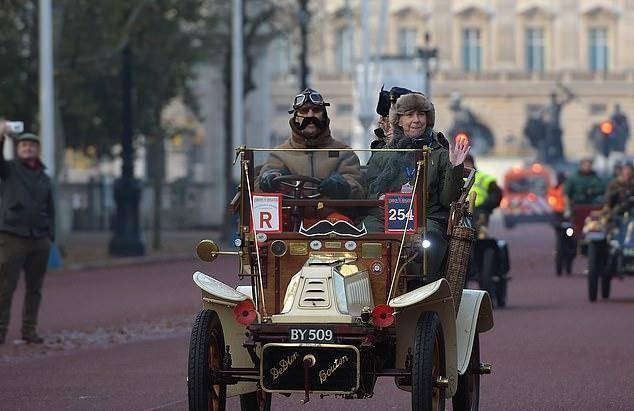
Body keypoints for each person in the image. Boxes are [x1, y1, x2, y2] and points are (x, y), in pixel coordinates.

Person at [364, 92, 469, 282]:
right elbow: (370, 188)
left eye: (421, 115)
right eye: (409, 115)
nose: (416, 120)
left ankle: (421, 286)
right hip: (386, 216)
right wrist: (379, 199)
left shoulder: (440, 154)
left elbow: (447, 201)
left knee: (430, 239)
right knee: (365, 232)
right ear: (399, 120)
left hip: (426, 217)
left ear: (428, 119)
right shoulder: (384, 153)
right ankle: (374, 279)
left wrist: (455, 167)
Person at [0, 121, 55, 345]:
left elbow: (51, 209)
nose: (28, 148)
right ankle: (1, 330)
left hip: (39, 239)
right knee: (5, 287)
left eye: (32, 145)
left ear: (38, 150)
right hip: (12, 236)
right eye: (24, 145)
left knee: (35, 289)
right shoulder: (10, 170)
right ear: (18, 149)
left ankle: (29, 330)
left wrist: (51, 237)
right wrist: (1, 136)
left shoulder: (45, 178)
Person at [257, 88, 364, 200]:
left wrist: (342, 187)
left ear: (324, 115)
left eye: (316, 110)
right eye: (304, 110)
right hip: (291, 214)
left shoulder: (343, 153)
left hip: (331, 214)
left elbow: (357, 188)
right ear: (296, 118)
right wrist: (269, 180)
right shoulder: (280, 154)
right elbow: (259, 190)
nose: (310, 116)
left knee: (340, 218)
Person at [463, 154, 502, 229]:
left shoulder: (483, 177)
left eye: (467, 162)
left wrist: (485, 207)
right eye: (463, 163)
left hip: (479, 212)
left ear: (472, 163)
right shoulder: (455, 177)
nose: (466, 165)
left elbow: (497, 194)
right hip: (461, 210)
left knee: (479, 235)